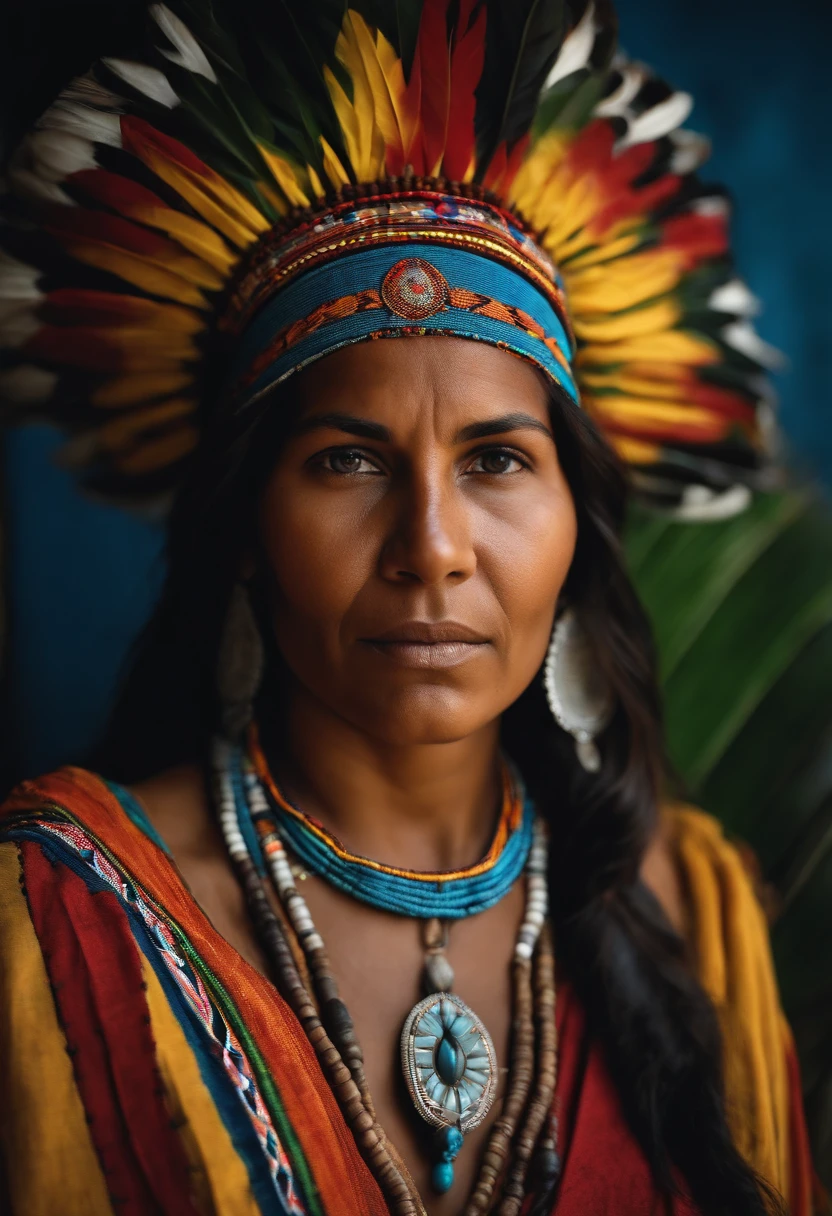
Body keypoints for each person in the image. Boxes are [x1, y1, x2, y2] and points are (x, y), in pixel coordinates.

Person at [0, 1, 817, 1213]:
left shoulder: (695, 912)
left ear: (576, 535)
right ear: (242, 535)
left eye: (496, 461)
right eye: (348, 459)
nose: (431, 550)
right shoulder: (61, 917)